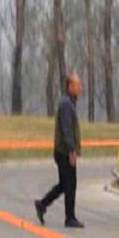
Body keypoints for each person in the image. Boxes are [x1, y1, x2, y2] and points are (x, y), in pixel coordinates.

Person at [34, 73, 84, 228]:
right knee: (70, 184)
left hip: (63, 151)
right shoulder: (66, 105)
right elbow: (66, 129)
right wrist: (71, 151)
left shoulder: (69, 103)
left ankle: (42, 204)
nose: (80, 88)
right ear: (70, 87)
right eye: (77, 85)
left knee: (65, 184)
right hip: (64, 152)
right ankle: (70, 218)